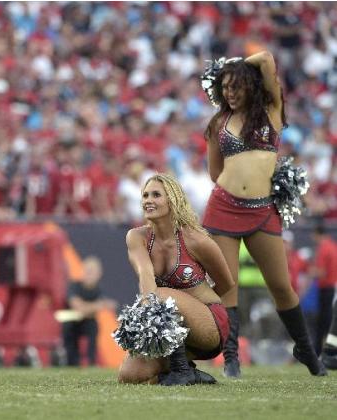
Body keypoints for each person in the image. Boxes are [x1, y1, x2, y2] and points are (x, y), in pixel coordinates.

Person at [201, 50, 326, 377]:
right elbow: (214, 172)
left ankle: (305, 349)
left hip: (262, 211)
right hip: (223, 209)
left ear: (250, 85)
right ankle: (231, 358)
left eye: (236, 85)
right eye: (225, 86)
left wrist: (235, 65)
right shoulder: (219, 123)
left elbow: (268, 58)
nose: (229, 92)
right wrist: (235, 186)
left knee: (281, 286)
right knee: (227, 284)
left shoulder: (272, 110)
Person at [118, 173, 235, 386]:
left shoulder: (196, 240)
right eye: (145, 195)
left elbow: (227, 284)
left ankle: (182, 371)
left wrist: (194, 307)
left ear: (173, 200)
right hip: (169, 328)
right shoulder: (136, 237)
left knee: (161, 296)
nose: (148, 200)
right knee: (130, 374)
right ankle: (191, 372)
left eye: (156, 195)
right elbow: (145, 274)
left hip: (210, 325)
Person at [62, 255, 116, 366]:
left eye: (93, 272)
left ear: (99, 274)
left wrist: (90, 308)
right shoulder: (74, 286)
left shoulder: (98, 290)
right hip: (71, 322)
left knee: (93, 326)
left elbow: (110, 304)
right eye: (88, 271)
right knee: (69, 334)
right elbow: (78, 307)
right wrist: (97, 306)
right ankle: (72, 363)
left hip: (88, 322)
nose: (90, 274)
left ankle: (91, 362)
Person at [308, 224, 337, 354]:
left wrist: (310, 271)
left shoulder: (323, 248)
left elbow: (321, 272)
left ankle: (319, 351)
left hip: (326, 289)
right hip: (332, 288)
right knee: (327, 321)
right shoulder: (332, 246)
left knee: (323, 323)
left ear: (316, 234)